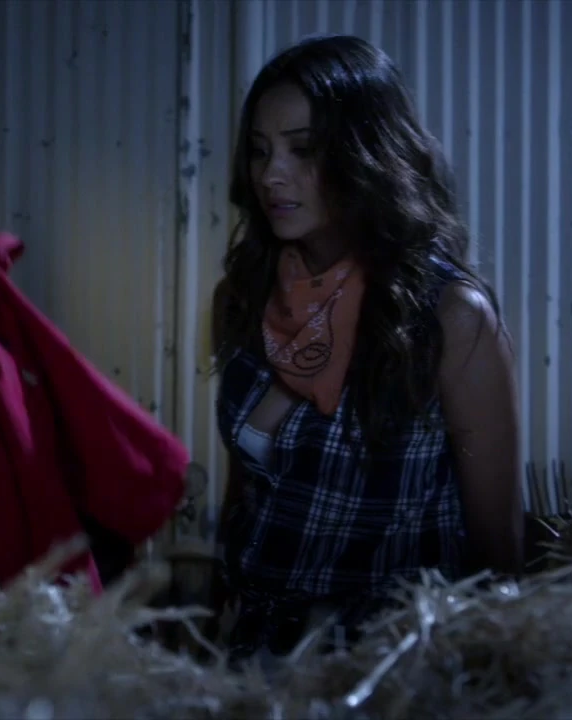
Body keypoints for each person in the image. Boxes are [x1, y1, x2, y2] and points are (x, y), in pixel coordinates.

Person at [209, 35, 524, 670]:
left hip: (386, 672)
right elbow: (245, 493)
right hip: (253, 665)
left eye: (303, 149)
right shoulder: (245, 295)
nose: (272, 175)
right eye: (261, 150)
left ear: (365, 154)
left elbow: (499, 549)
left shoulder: (449, 317)